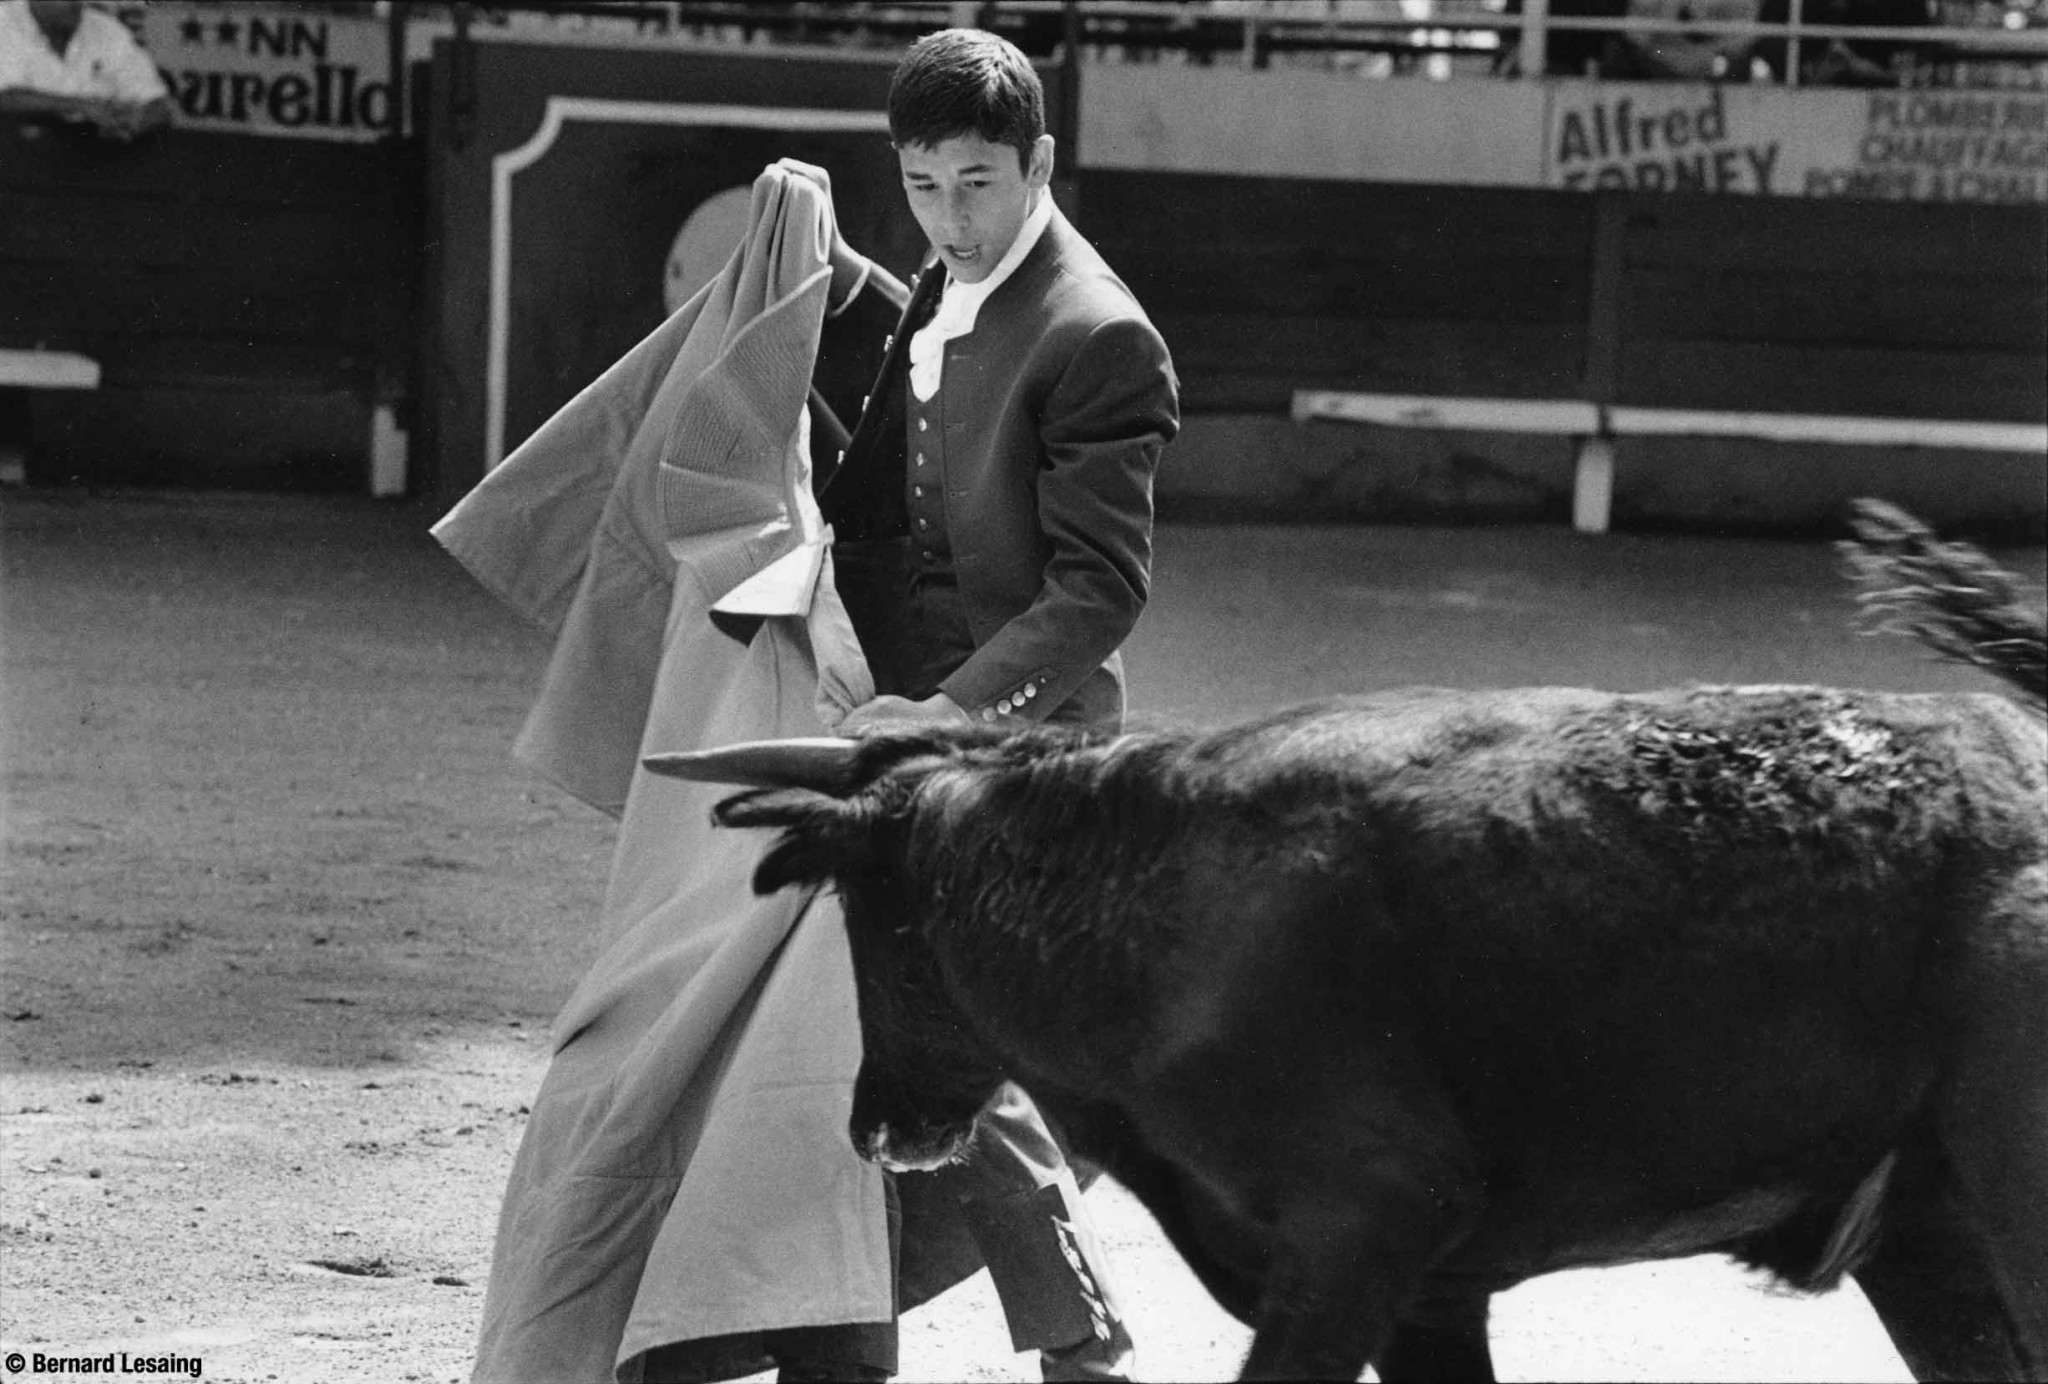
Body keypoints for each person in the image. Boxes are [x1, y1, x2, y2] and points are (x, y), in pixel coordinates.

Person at [704, 25, 1180, 1383]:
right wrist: (811, 257)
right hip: (909, 703)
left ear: (1038, 162)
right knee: (910, 1013)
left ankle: (1043, 1338)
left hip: (1020, 744)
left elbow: (1097, 593)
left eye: (976, 185)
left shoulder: (1103, 336)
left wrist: (946, 719)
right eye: (920, 185)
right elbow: (922, 370)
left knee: (931, 1016)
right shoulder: (955, 268)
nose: (950, 219)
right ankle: (961, 1332)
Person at [0, 0, 172, 140]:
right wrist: (81, 106)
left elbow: (157, 104)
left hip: (95, 152)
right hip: (15, 151)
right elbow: (5, 98)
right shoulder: (5, 21)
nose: (75, 4)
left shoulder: (106, 29)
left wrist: (135, 122)